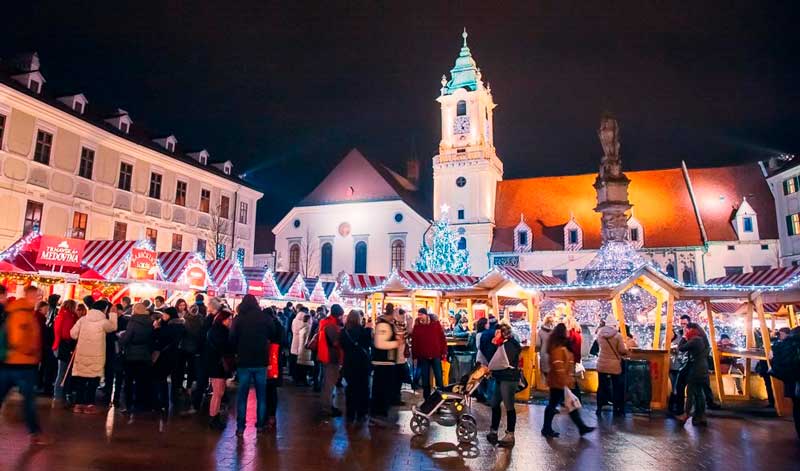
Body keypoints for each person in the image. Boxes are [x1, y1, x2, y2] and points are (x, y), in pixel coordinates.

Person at [0, 286, 50, 445]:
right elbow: (17, 339)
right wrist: (32, 351)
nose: (39, 298)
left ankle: (35, 432)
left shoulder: (24, 312)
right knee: (29, 401)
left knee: (26, 400)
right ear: (30, 295)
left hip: (14, 363)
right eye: (37, 295)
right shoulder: (22, 313)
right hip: (21, 364)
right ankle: (35, 433)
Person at [541, 323, 595, 438]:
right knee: (557, 405)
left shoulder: (559, 346)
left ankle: (581, 427)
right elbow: (558, 366)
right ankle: (547, 428)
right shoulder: (558, 348)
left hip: (561, 381)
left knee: (567, 404)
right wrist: (565, 381)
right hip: (559, 382)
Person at [230, 294, 273, 437]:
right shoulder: (265, 318)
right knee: (262, 395)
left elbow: (232, 339)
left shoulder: (239, 319)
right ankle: (260, 425)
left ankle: (240, 427)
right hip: (261, 361)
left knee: (242, 395)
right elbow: (273, 334)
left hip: (244, 361)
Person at [70, 299, 118, 414]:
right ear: (104, 309)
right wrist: (113, 314)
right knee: (93, 382)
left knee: (81, 381)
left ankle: (78, 404)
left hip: (82, 355)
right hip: (97, 356)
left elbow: (72, 334)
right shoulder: (104, 322)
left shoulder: (82, 319)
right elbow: (113, 328)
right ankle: (89, 405)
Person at [486, 323, 523, 447]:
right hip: (500, 378)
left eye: (497, 332)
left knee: (509, 406)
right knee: (495, 403)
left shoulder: (510, 345)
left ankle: (510, 435)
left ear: (503, 333)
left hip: (509, 379)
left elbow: (501, 363)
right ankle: (494, 430)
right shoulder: (502, 345)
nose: (495, 335)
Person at [371, 303, 404, 425]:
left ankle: (380, 412)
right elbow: (380, 343)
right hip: (383, 362)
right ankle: (378, 414)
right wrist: (396, 343)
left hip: (387, 362)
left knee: (384, 388)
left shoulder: (388, 324)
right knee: (381, 388)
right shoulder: (383, 325)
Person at [118, 302, 153, 414]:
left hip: (131, 355)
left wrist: (120, 339)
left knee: (128, 381)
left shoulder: (133, 322)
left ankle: (127, 405)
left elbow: (127, 338)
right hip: (145, 355)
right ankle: (140, 404)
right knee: (141, 381)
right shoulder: (150, 321)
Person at [206, 299, 233, 430]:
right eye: (229, 319)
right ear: (223, 319)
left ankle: (214, 416)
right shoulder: (220, 332)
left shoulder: (216, 330)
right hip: (218, 365)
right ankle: (213, 417)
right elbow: (224, 348)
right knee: (217, 392)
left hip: (216, 364)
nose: (230, 322)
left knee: (219, 392)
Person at [340, 309, 372, 423]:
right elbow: (369, 344)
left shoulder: (344, 332)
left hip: (349, 363)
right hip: (362, 363)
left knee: (350, 389)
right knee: (363, 388)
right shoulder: (364, 331)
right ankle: (361, 413)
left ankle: (350, 413)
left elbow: (342, 346)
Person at [676, 323, 710, 426]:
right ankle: (702, 416)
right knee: (699, 392)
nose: (686, 331)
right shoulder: (703, 339)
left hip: (696, 368)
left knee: (690, 392)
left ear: (691, 329)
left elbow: (681, 348)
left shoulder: (695, 339)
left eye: (687, 329)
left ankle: (686, 415)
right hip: (703, 368)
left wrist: (684, 337)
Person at [152, 307, 185, 414]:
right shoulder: (180, 325)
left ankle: (163, 403)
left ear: (170, 315)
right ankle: (174, 403)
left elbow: (161, 339)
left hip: (166, 356)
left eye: (165, 314)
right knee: (175, 380)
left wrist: (157, 328)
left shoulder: (170, 327)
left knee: (161, 378)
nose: (163, 316)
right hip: (177, 356)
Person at [595, 317, 629, 417]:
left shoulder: (599, 334)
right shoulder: (618, 336)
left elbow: (599, 346)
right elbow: (622, 350)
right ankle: (616, 408)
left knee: (601, 386)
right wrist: (626, 350)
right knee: (616, 387)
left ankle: (599, 408)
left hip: (601, 364)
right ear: (614, 325)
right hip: (614, 365)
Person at [411, 308, 447, 400]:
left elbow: (442, 338)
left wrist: (444, 352)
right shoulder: (417, 327)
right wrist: (414, 356)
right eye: (418, 315)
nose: (419, 317)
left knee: (439, 378)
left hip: (435, 355)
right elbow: (415, 342)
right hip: (423, 356)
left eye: (421, 315)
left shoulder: (435, 324)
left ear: (426, 315)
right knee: (425, 379)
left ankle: (440, 398)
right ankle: (426, 399)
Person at [318, 304, 344, 417]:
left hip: (326, 356)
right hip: (331, 357)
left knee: (328, 383)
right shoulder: (331, 325)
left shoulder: (326, 322)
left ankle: (327, 406)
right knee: (329, 384)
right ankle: (327, 408)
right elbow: (335, 342)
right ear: (338, 315)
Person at [52, 299, 79, 404]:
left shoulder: (61, 315)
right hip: (65, 346)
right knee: (63, 371)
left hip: (60, 345)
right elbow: (67, 333)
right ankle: (59, 394)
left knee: (62, 371)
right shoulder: (69, 317)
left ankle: (59, 393)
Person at [180, 302, 204, 414]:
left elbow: (183, 333)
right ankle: (189, 387)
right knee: (191, 369)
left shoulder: (185, 319)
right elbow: (201, 334)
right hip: (195, 349)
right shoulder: (200, 320)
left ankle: (184, 387)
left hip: (185, 347)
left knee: (184, 367)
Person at [290, 306, 311, 385]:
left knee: (295, 364)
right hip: (301, 345)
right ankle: (300, 379)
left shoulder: (294, 320)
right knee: (301, 365)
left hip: (294, 343)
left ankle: (295, 378)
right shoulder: (305, 323)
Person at [536, 314, 556, 384]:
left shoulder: (540, 332)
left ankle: (547, 387)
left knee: (545, 372)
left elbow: (538, 344)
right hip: (553, 354)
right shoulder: (555, 332)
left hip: (544, 353)